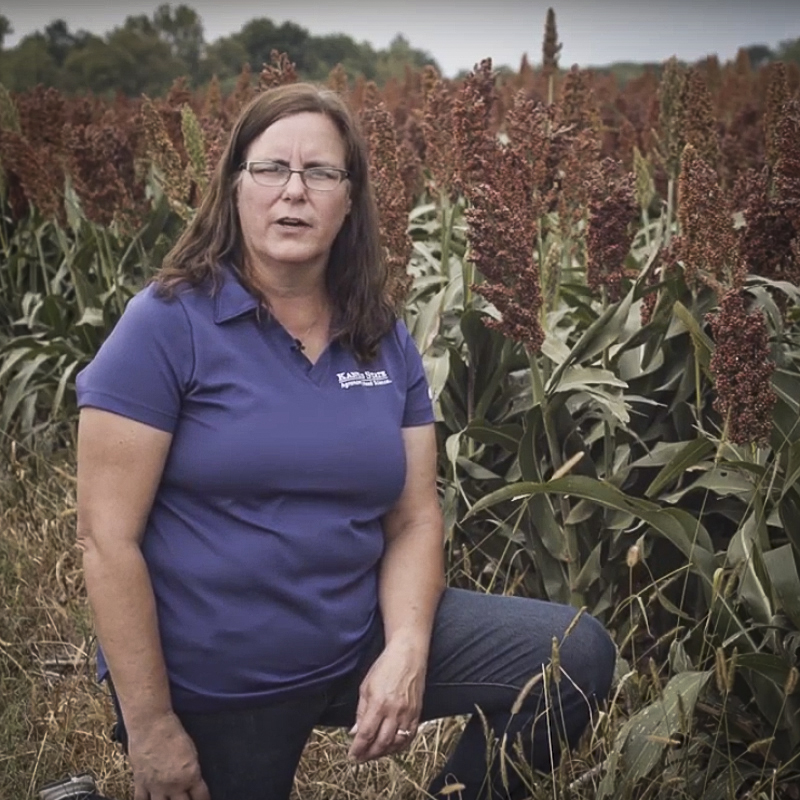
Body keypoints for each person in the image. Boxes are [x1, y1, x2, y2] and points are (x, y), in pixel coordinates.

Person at [75, 82, 616, 800]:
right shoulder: (166, 324)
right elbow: (106, 540)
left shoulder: (380, 335)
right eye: (271, 169)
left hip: (354, 636)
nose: (293, 192)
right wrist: (150, 727)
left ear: (350, 197)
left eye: (321, 173)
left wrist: (407, 650)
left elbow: (415, 517)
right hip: (223, 680)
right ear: (234, 185)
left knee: (572, 655)